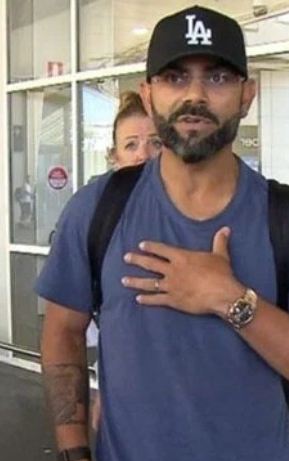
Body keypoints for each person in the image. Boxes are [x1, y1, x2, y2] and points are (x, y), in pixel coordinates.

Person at [36, 6, 289, 461]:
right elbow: (63, 331)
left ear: (247, 95)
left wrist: (230, 299)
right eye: (175, 77)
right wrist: (75, 460)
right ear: (149, 96)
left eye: (216, 77)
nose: (194, 95)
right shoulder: (99, 208)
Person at [90, 90, 163, 430]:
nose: (143, 155)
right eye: (131, 145)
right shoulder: (98, 216)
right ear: (114, 156)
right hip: (125, 391)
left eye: (156, 142)